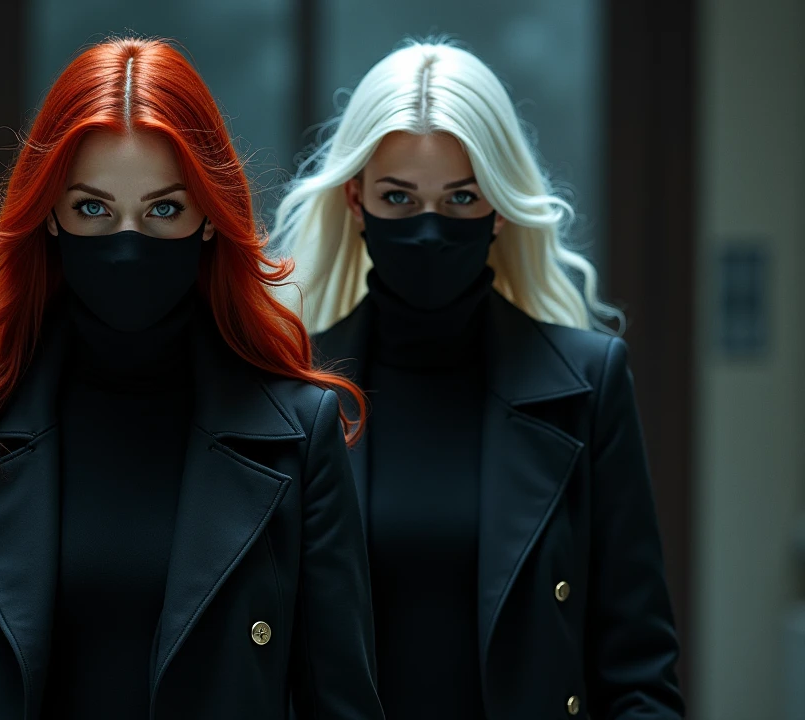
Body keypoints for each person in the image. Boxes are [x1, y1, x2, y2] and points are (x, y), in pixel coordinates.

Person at [0, 37, 383, 720]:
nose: (128, 242)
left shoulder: (300, 433)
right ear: (51, 216)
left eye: (164, 210)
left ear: (210, 217)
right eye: (93, 209)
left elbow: (342, 707)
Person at [272, 39, 684, 719]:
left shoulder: (588, 384)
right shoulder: (295, 389)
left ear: (497, 208)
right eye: (398, 198)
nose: (429, 230)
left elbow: (638, 667)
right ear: (354, 199)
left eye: (460, 198)